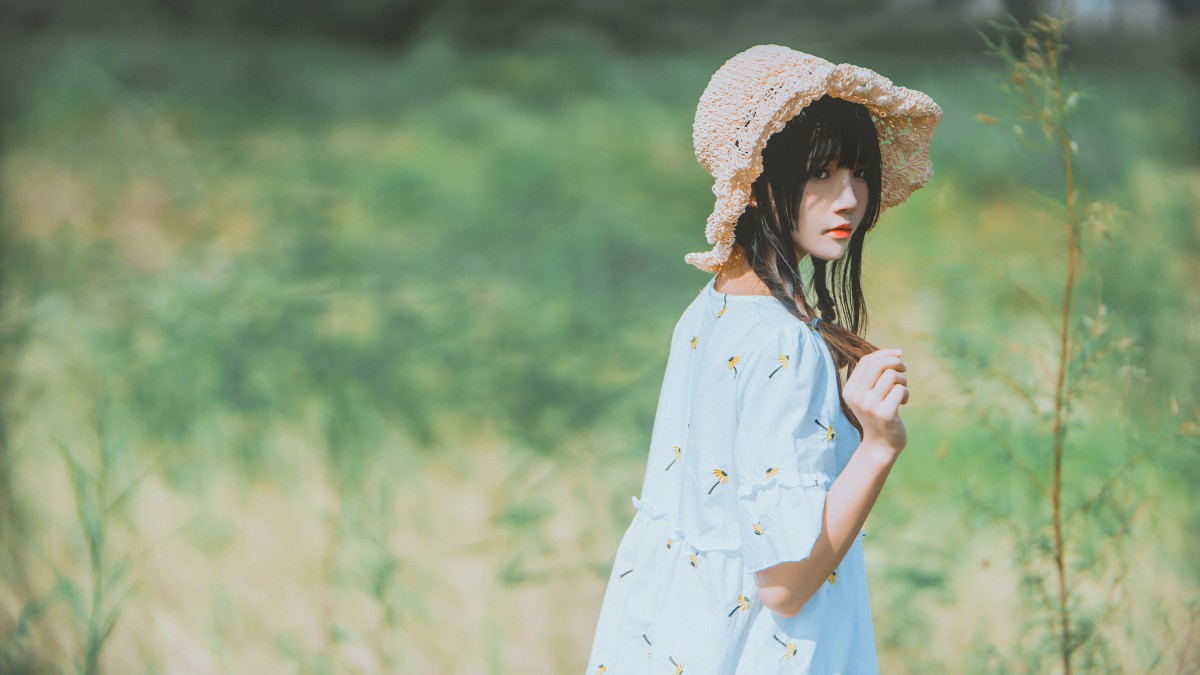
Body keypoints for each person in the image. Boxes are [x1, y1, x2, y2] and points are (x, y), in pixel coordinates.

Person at [583, 45, 942, 674]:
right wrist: (880, 446)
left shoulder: (709, 308)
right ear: (754, 180)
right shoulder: (785, 342)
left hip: (678, 645)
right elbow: (785, 583)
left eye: (859, 172)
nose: (848, 198)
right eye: (820, 172)